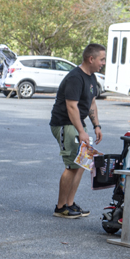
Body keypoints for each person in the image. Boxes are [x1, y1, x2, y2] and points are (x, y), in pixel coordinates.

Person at [50, 42, 106, 219]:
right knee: (72, 165)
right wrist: (81, 131)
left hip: (76, 124)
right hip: (65, 124)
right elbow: (71, 107)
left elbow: (91, 103)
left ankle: (70, 204)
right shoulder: (75, 77)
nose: (103, 63)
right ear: (91, 59)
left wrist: (96, 125)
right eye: (101, 59)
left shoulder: (92, 77)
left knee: (83, 162)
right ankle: (60, 207)